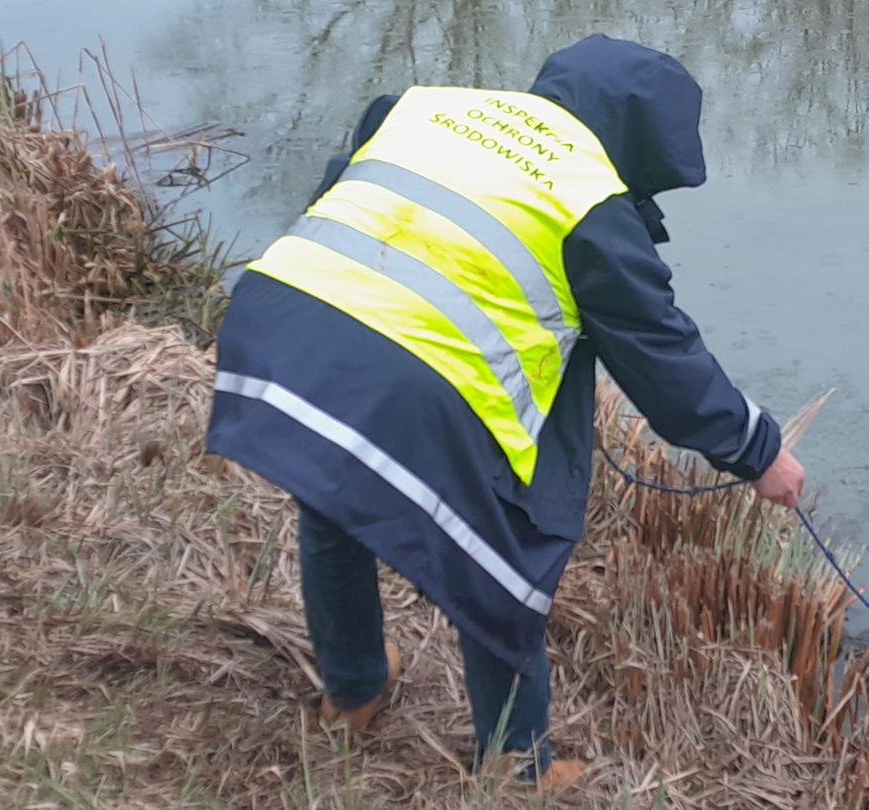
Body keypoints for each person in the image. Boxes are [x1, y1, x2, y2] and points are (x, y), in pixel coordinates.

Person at [205, 34, 804, 787]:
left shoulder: (421, 108)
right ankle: (518, 769)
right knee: (510, 558)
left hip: (282, 328)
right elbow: (664, 362)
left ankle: (353, 691)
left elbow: (348, 201)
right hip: (413, 387)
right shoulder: (592, 205)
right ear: (644, 147)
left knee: (332, 497)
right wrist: (759, 452)